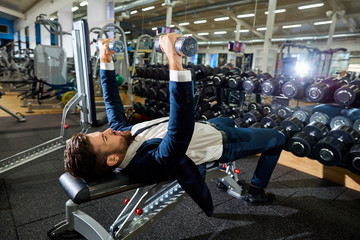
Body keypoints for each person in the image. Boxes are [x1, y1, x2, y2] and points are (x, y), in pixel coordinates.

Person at [64, 33, 286, 217]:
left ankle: (226, 175)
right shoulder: (148, 163)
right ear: (112, 159)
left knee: (229, 119)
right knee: (277, 138)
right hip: (221, 142)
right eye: (104, 137)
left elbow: (112, 101)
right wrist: (174, 60)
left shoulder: (122, 137)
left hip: (207, 126)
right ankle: (256, 190)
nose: (109, 130)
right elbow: (180, 130)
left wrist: (105, 58)